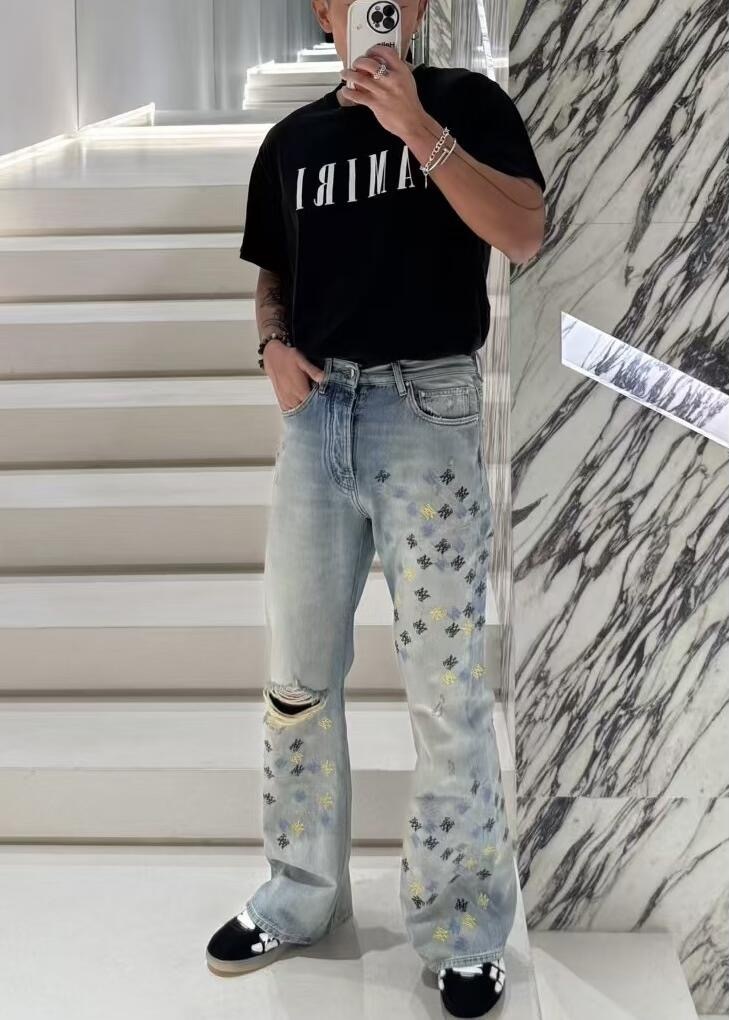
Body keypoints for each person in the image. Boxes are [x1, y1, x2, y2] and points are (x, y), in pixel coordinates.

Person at [206, 1, 546, 1016]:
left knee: (446, 689)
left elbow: (523, 232)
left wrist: (419, 132)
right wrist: (270, 346)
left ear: (422, 7)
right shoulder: (291, 141)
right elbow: (274, 271)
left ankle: (463, 926)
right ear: (323, 11)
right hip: (317, 419)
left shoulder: (467, 105)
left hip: (427, 413)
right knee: (297, 678)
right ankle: (300, 892)